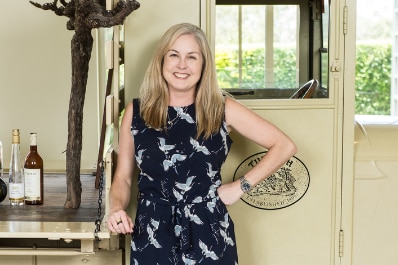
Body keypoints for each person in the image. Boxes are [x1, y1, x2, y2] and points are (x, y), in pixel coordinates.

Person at [107, 22, 297, 265]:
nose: (182, 65)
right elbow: (123, 177)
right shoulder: (137, 112)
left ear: (203, 65)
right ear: (161, 61)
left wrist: (241, 186)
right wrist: (116, 209)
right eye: (174, 55)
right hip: (152, 231)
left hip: (209, 229)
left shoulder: (222, 108)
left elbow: (284, 145)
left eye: (192, 57)